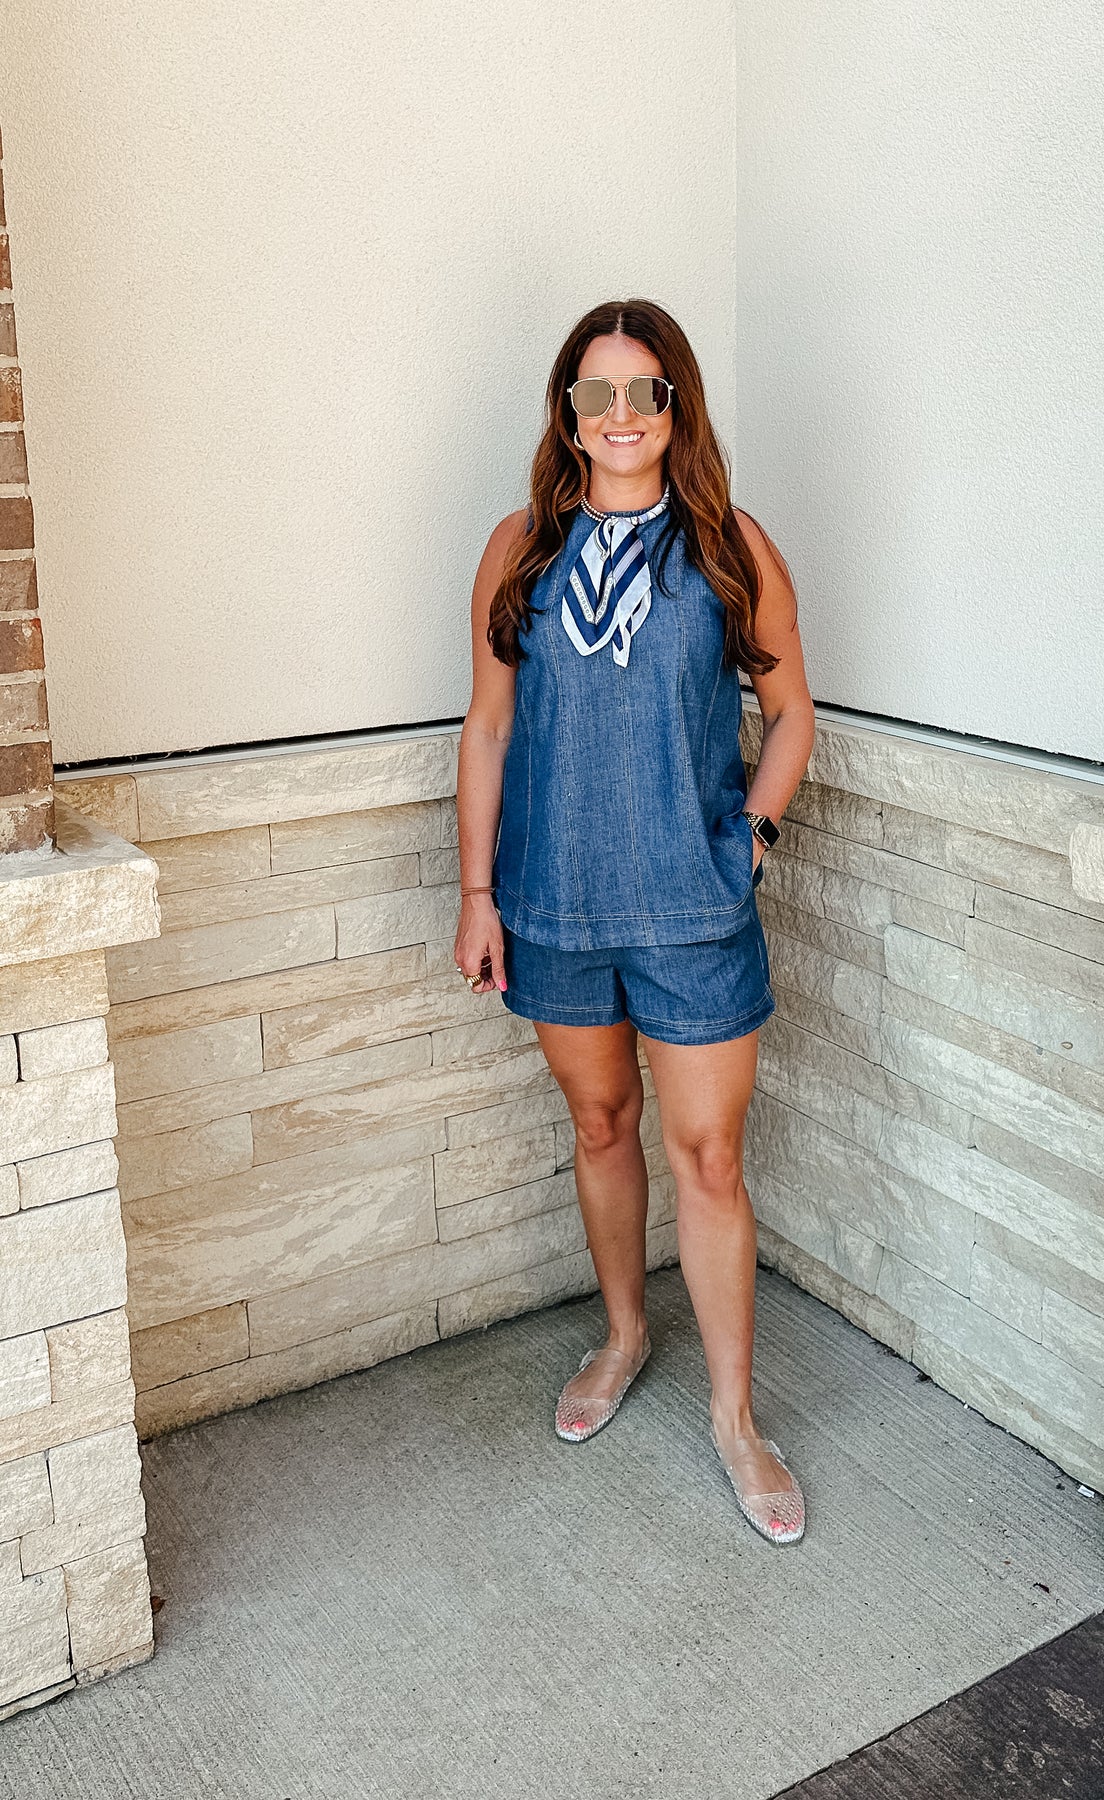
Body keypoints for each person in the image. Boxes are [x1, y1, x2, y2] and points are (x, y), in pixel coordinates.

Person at [453, 298, 816, 1545]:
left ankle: (735, 1419)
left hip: (693, 912)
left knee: (708, 1160)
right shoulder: (518, 549)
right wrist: (477, 894)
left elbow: (792, 715)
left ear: (674, 407)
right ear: (567, 414)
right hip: (552, 903)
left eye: (642, 392)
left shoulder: (728, 544)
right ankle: (621, 1336)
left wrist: (748, 838)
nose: (619, 415)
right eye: (594, 393)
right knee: (601, 1124)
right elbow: (488, 729)